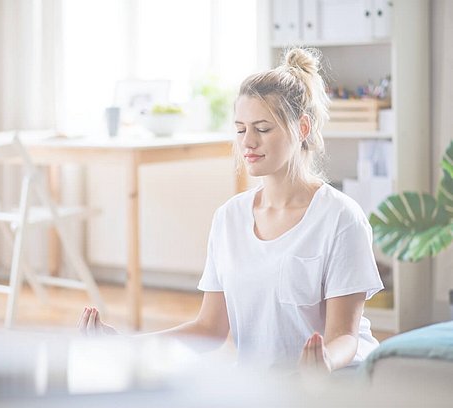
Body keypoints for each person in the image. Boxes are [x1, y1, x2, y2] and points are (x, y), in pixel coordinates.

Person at [78, 47, 384, 374]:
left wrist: (323, 361)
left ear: (303, 128)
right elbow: (210, 328)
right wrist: (128, 345)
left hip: (335, 382)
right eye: (240, 129)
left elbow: (344, 338)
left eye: (262, 129)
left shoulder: (341, 218)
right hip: (262, 388)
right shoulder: (229, 218)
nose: (247, 142)